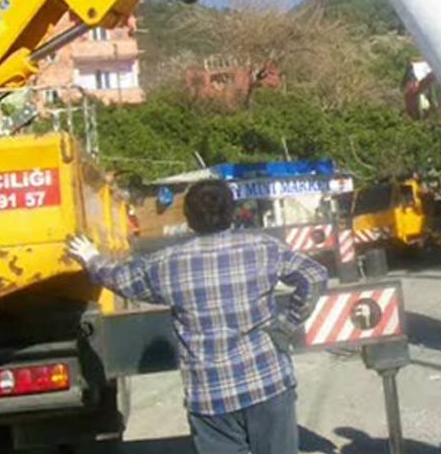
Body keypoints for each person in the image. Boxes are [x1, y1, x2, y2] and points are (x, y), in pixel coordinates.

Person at [67, 179, 328, 454]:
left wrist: (91, 258)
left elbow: (120, 278)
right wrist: (286, 325)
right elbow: (314, 275)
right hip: (268, 385)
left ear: (189, 219)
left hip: (210, 398)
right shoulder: (264, 248)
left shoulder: (167, 264)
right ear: (233, 212)